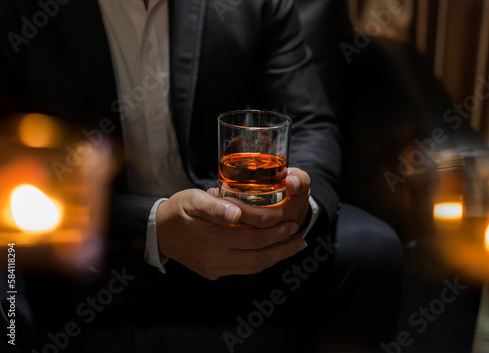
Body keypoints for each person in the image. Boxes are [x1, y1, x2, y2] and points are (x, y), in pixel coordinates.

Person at [0, 0, 403, 352]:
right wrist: (152, 223)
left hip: (230, 229)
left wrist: (301, 205)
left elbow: (309, 121)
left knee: (373, 251)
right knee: (12, 280)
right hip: (90, 247)